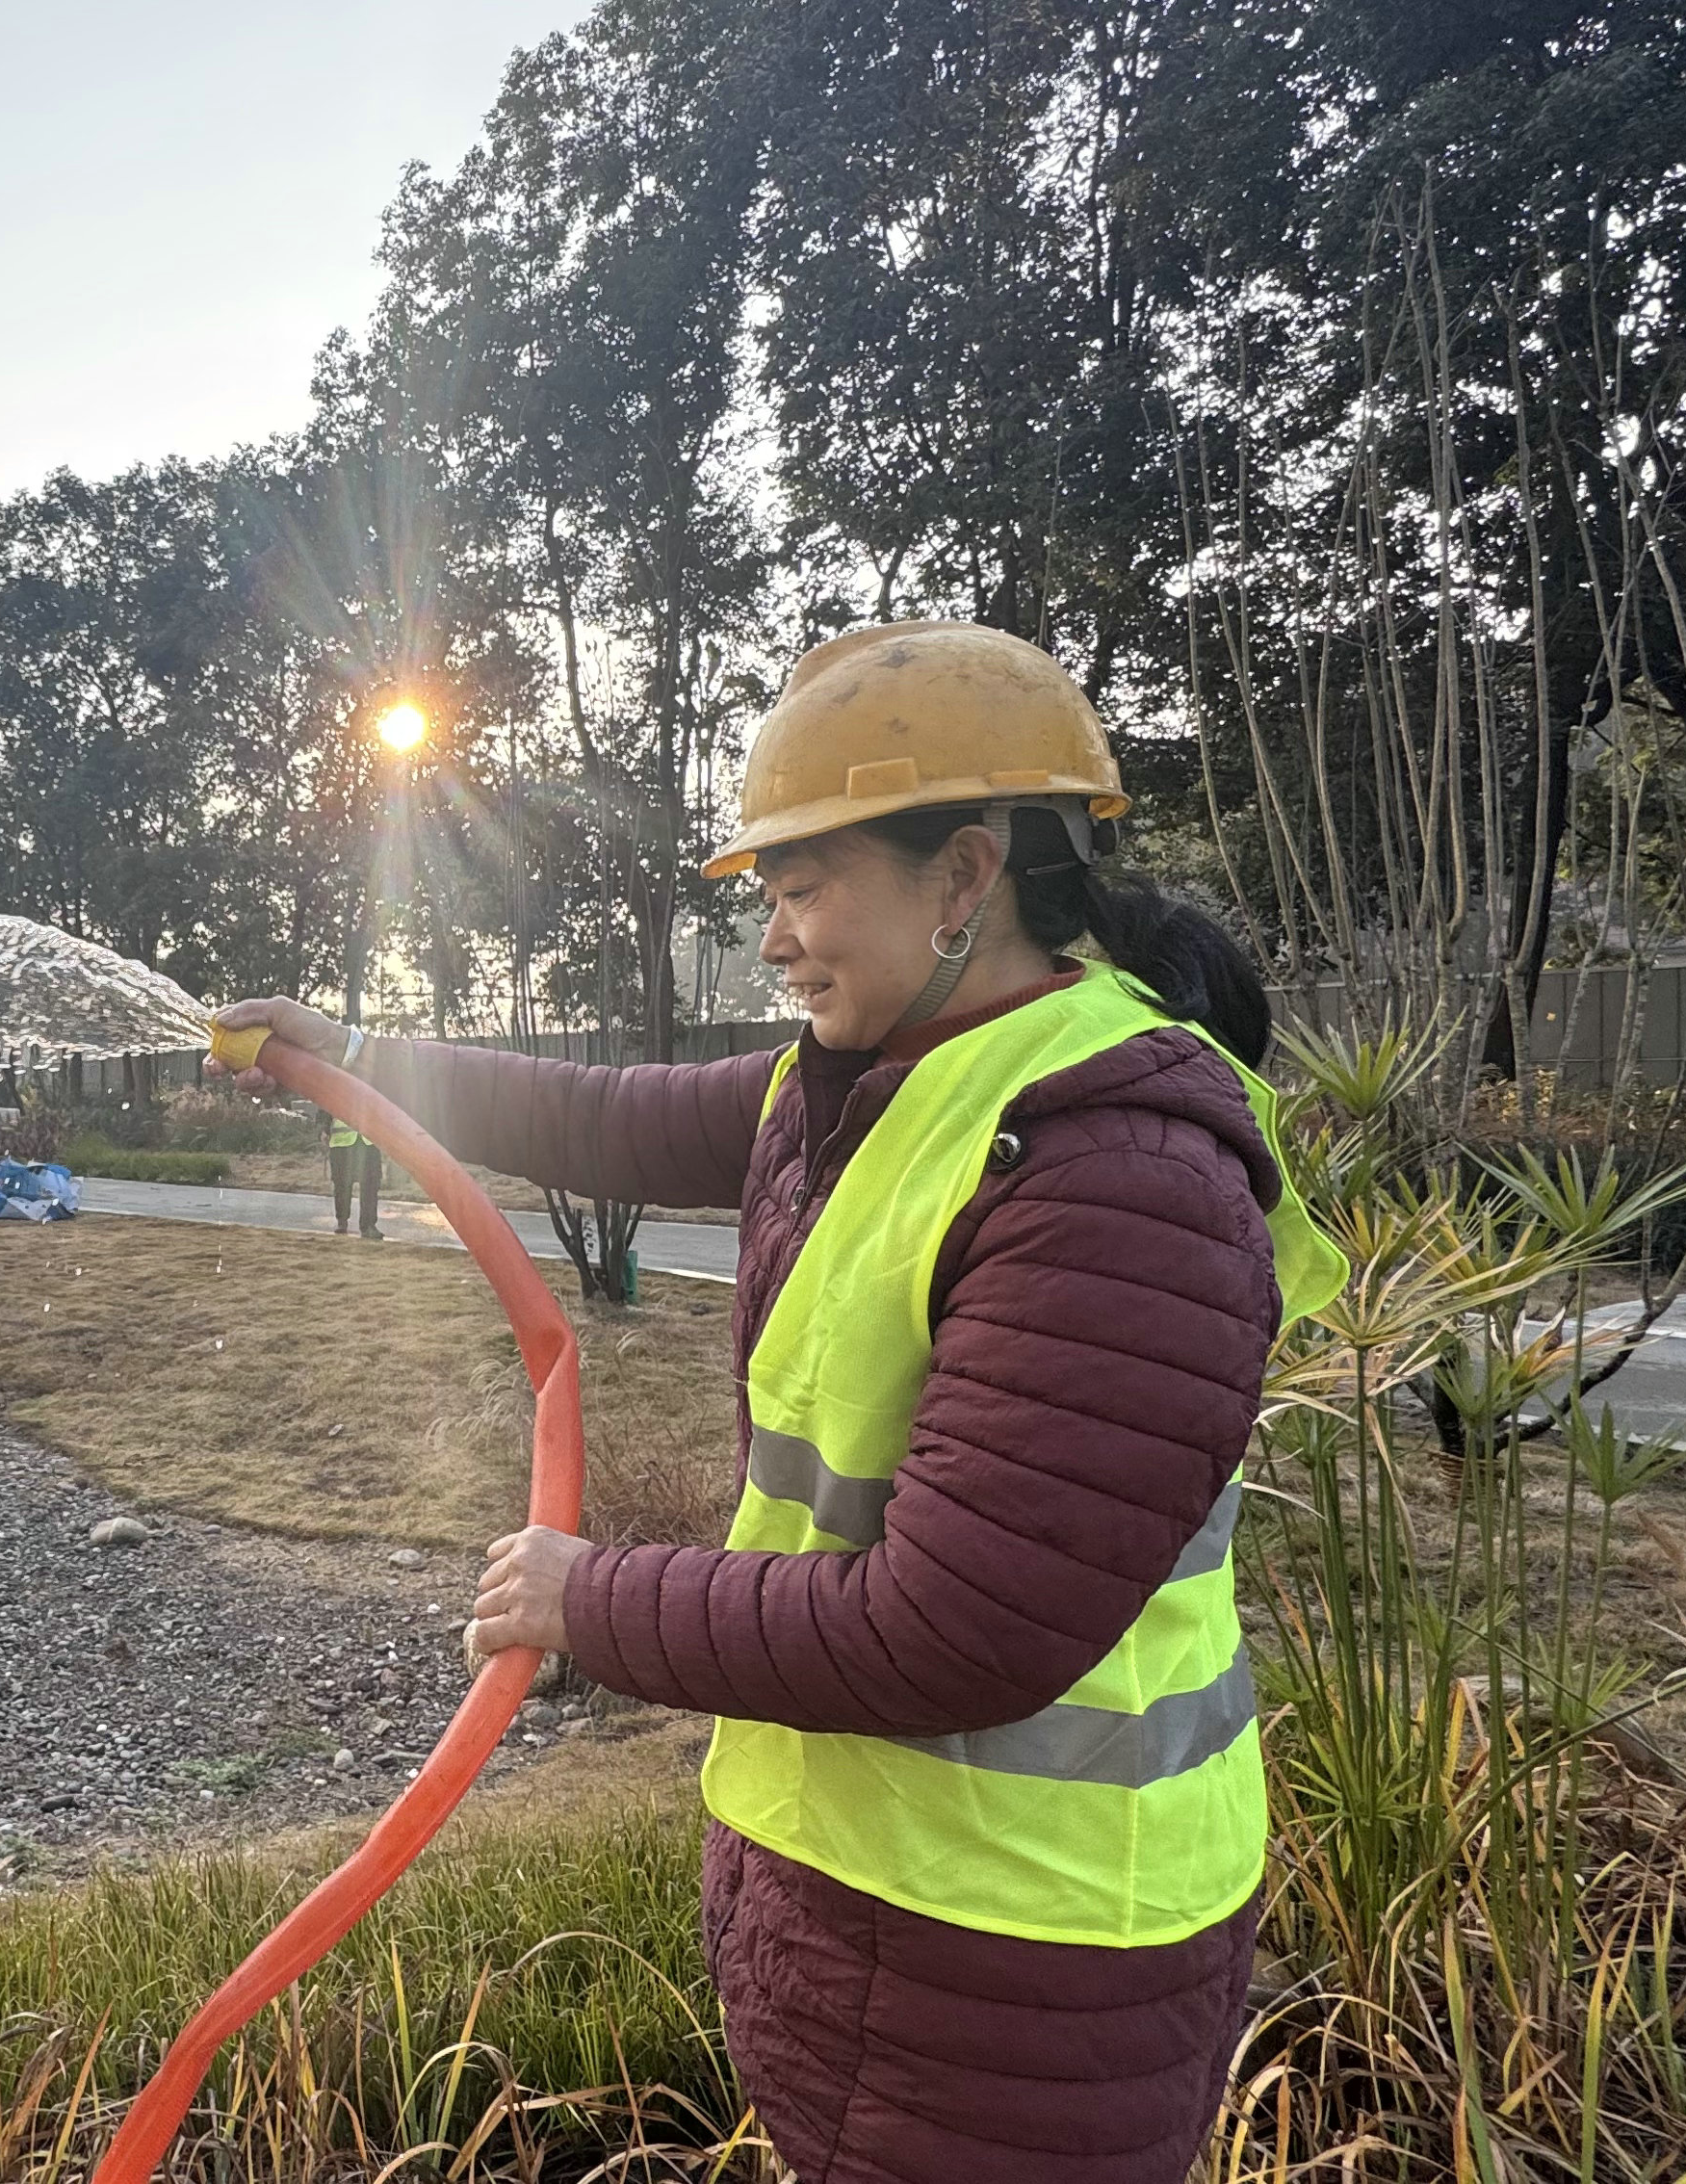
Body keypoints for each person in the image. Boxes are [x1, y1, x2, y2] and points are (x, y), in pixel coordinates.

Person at [218, 621, 1341, 2184]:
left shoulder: (1114, 1179)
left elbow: (958, 1629)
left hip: (1028, 1968)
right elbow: (593, 1115)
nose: (771, 940)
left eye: (801, 887)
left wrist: (590, 1599)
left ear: (963, 878)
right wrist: (350, 1056)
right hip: (894, 1917)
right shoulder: (883, 1075)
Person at [325, 1113, 383, 1237]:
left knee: (370, 1186)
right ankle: (342, 1221)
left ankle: (369, 1226)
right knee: (342, 1185)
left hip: (369, 1144)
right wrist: (322, 1129)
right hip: (342, 1144)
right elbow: (325, 1108)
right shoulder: (338, 1098)